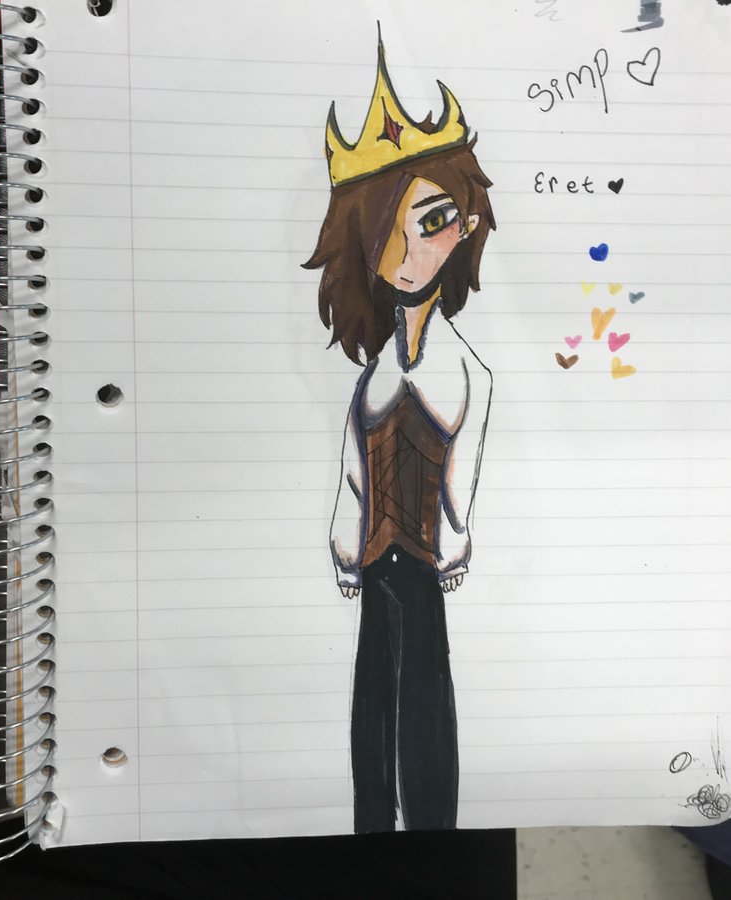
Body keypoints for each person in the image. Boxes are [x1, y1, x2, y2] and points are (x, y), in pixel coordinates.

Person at [303, 35, 497, 834]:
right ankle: (372, 829)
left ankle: (429, 830)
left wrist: (455, 545)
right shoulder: (373, 372)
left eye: (435, 221)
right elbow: (354, 475)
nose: (411, 253)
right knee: (371, 701)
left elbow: (461, 478)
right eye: (389, 235)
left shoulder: (468, 369)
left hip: (424, 565)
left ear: (466, 223)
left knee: (424, 698)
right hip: (373, 559)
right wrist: (342, 548)